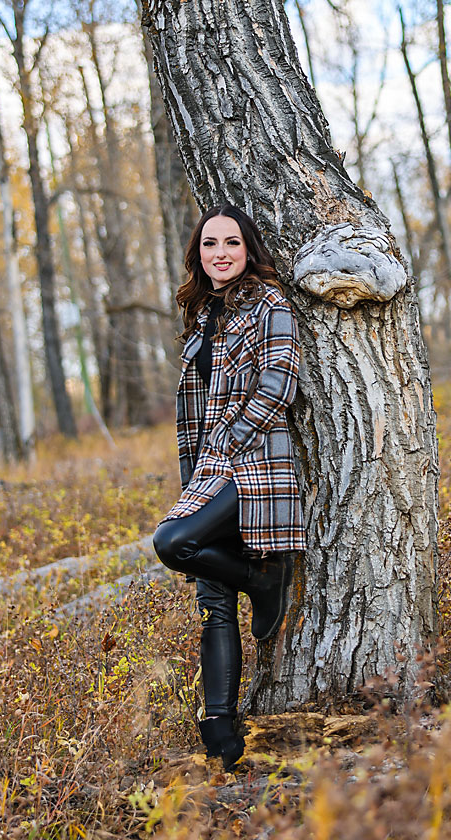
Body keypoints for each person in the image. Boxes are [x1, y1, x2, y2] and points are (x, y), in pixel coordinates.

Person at [153, 203, 306, 769]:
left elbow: (280, 380)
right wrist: (197, 468)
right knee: (211, 600)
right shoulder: (201, 314)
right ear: (198, 252)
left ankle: (264, 577)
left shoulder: (270, 304)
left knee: (173, 543)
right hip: (207, 472)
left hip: (255, 465)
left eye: (232, 243)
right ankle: (220, 722)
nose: (220, 253)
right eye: (210, 244)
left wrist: (230, 440)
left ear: (249, 250)